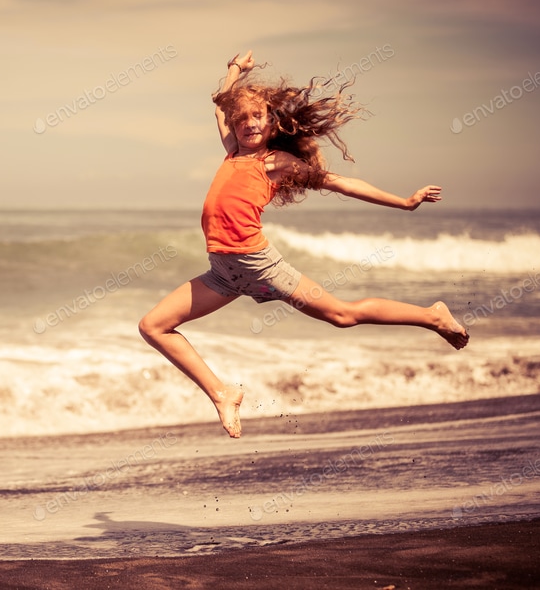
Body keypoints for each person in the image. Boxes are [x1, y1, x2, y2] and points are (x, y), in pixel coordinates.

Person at [138, 50, 469, 439]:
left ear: (270, 121)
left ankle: (432, 316)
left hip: (262, 267)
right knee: (153, 326)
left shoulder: (274, 162)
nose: (246, 124)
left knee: (342, 316)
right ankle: (223, 393)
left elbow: (339, 183)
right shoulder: (231, 151)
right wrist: (234, 71)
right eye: (240, 118)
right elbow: (219, 109)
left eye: (255, 116)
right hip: (224, 274)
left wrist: (405, 202)